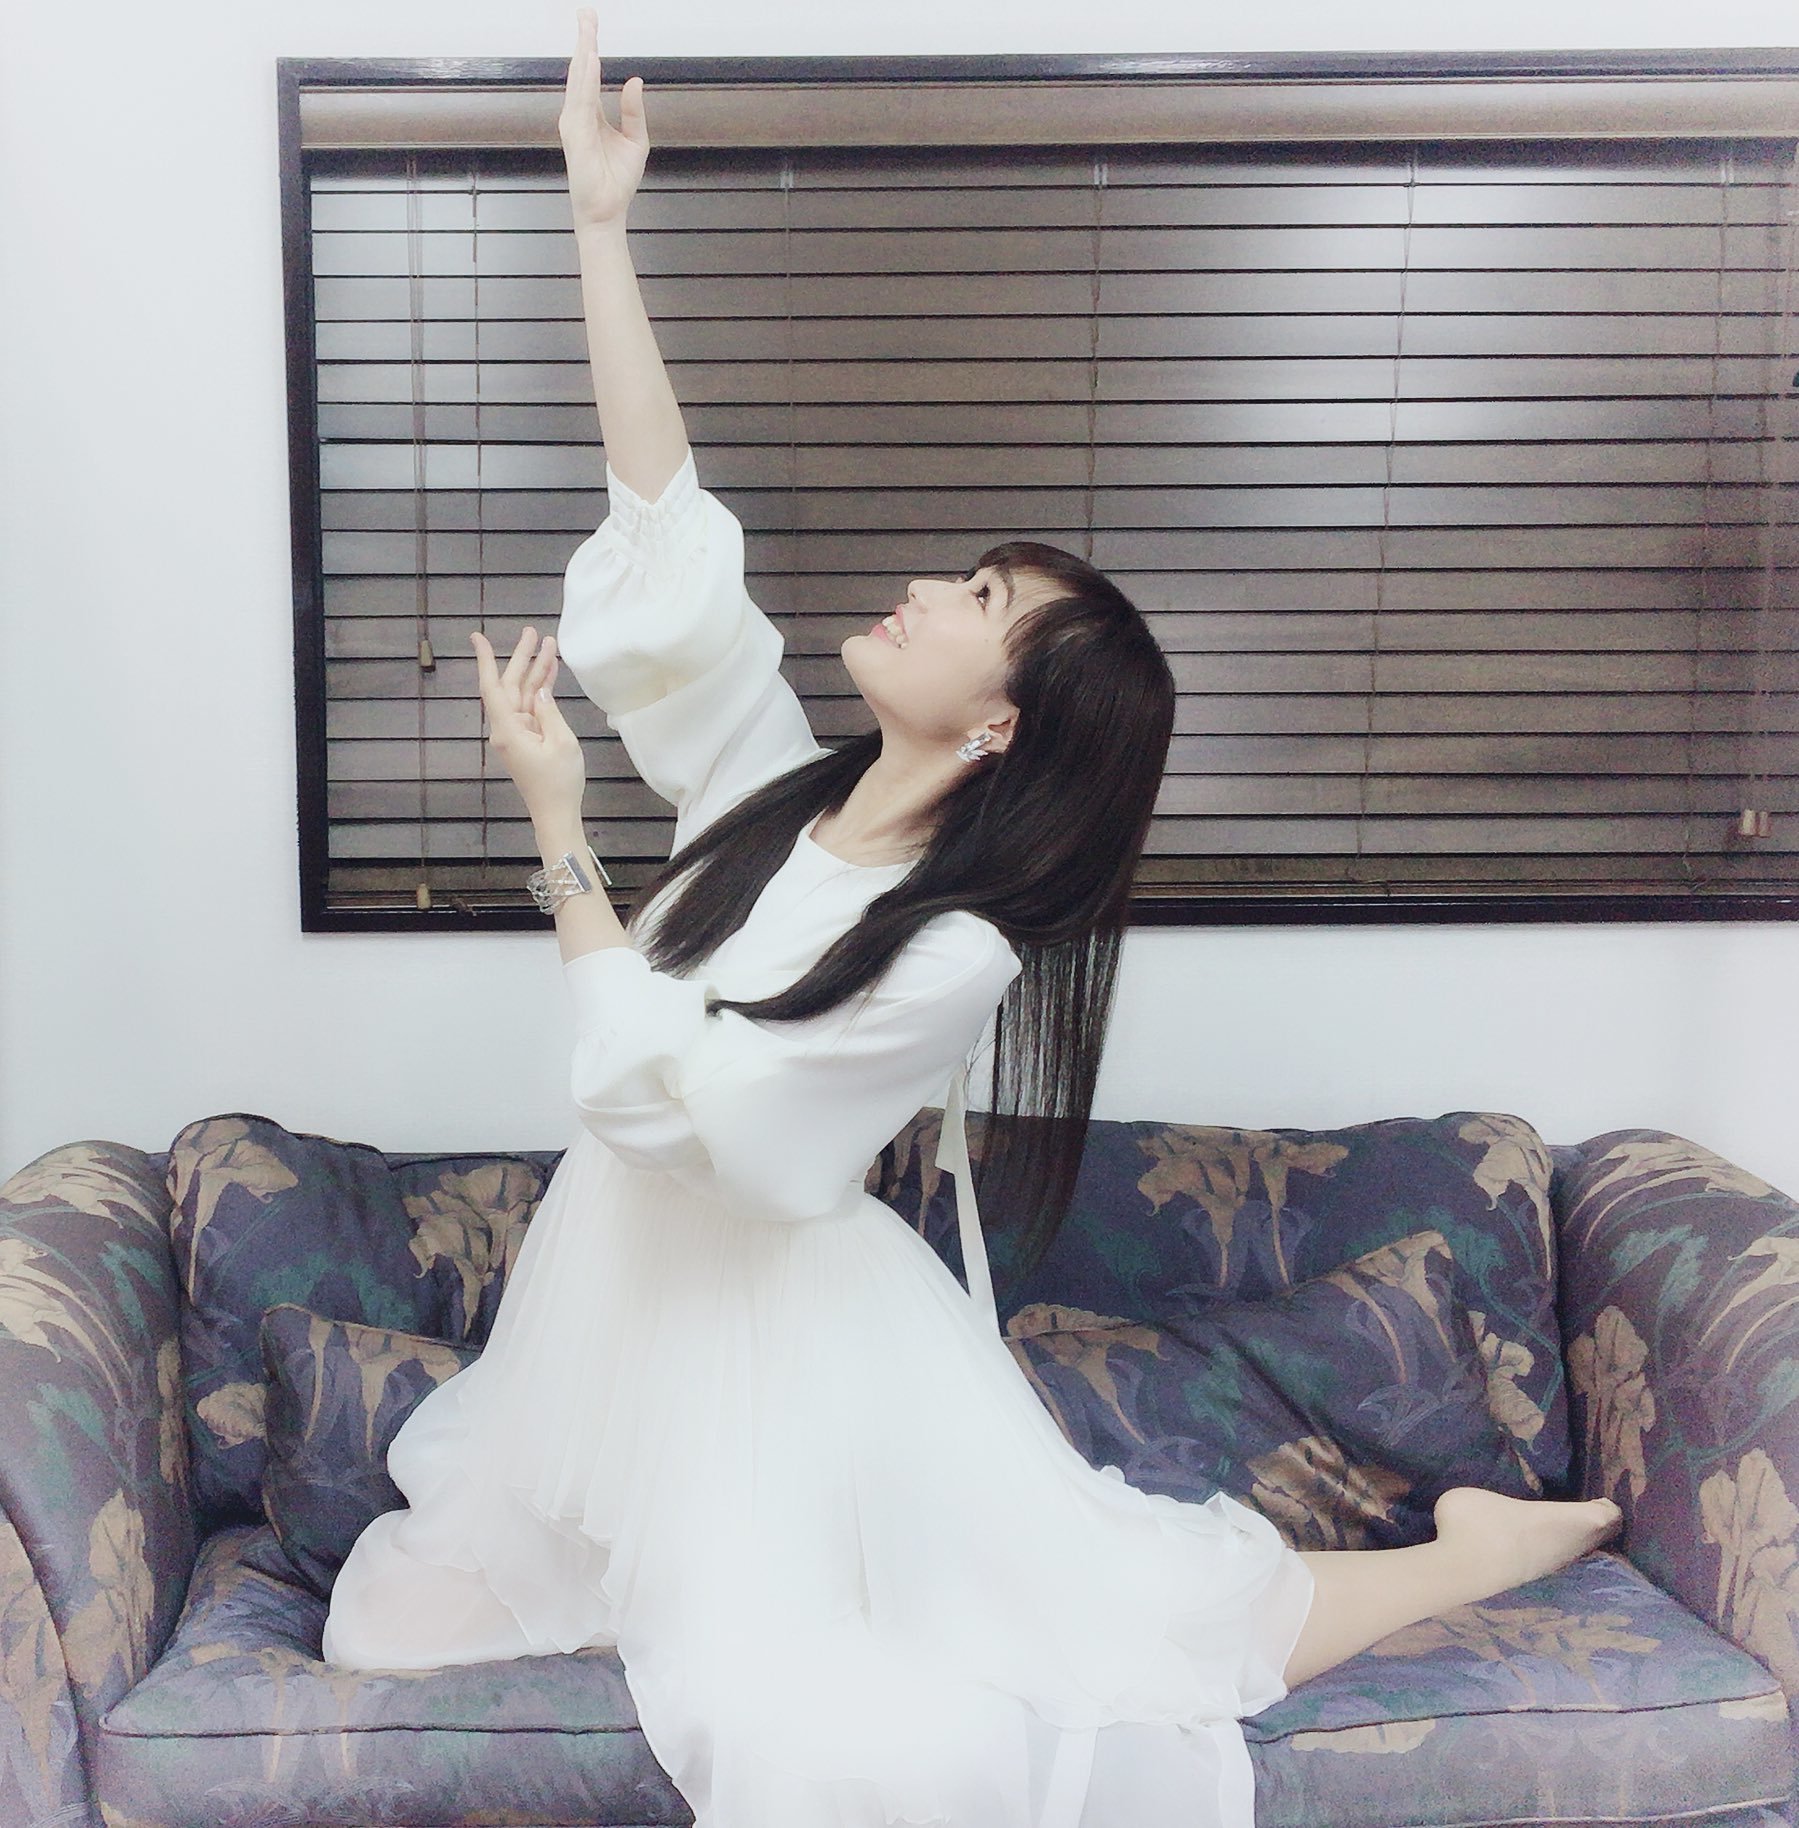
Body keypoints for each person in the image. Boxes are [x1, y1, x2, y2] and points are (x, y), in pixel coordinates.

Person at [319, 11, 1625, 1822]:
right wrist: (599, 229)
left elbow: (715, 1137)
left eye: (978, 598)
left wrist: (561, 840)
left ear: (1004, 722)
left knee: (1099, 1652)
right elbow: (668, 535)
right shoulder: (766, 786)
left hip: (783, 1375)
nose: (925, 588)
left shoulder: (951, 949)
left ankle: (1474, 1549)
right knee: (382, 1632)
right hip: (611, 1327)